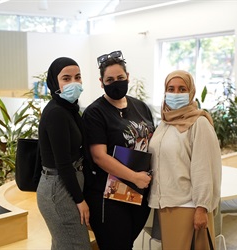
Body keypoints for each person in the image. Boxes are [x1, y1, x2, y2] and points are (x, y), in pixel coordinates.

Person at [82, 50, 155, 249]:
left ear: (128, 77)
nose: (116, 82)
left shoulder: (141, 107)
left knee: (126, 244)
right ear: (101, 82)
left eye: (120, 78)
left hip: (139, 193)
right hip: (108, 196)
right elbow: (99, 156)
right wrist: (134, 177)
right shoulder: (95, 113)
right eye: (110, 79)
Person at [148, 70, 222, 250]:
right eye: (171, 89)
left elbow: (203, 168)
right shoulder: (165, 123)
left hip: (187, 205)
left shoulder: (198, 123)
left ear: (191, 93)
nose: (175, 93)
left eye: (182, 89)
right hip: (166, 204)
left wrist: (201, 208)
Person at [36, 57, 91, 250]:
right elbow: (63, 163)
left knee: (64, 245)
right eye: (66, 78)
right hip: (59, 189)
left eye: (77, 77)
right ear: (54, 82)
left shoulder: (69, 109)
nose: (73, 83)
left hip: (65, 183)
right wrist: (80, 200)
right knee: (77, 245)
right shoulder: (56, 113)